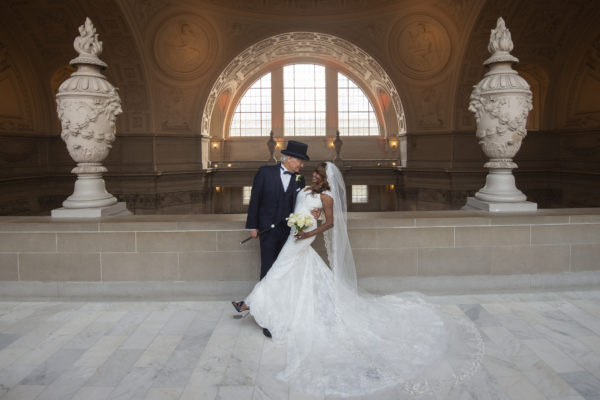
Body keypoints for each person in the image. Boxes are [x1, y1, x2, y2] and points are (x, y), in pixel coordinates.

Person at [233, 161, 485, 398]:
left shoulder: (327, 197)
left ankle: (248, 304)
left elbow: (329, 222)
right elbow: (287, 202)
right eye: (314, 174)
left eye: (318, 175)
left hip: (303, 237)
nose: (313, 176)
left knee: (278, 270)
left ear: (326, 178)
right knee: (287, 272)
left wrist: (310, 230)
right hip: (292, 234)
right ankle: (263, 306)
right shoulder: (304, 186)